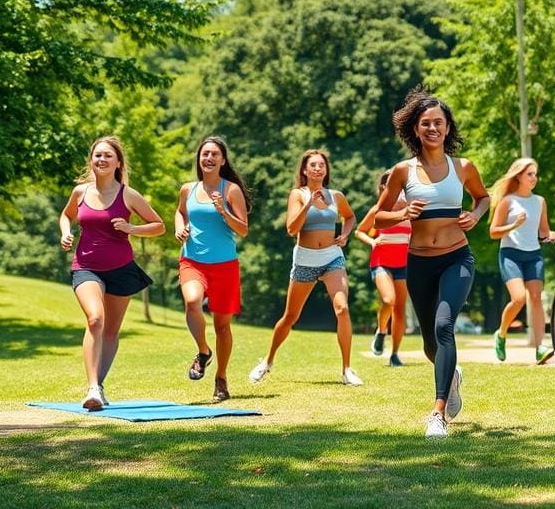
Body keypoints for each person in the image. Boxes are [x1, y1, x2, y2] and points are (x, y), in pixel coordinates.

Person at [373, 87, 489, 438]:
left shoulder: (464, 167)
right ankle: (452, 376)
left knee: (443, 327)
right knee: (429, 344)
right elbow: (377, 218)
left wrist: (476, 215)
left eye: (438, 122)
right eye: (426, 123)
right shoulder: (402, 172)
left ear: (448, 128)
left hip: (457, 258)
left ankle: (437, 413)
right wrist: (401, 213)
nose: (433, 128)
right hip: (419, 263)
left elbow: (484, 197)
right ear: (416, 130)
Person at [58, 136, 165, 410]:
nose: (102, 160)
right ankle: (92, 387)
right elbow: (66, 215)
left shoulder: (128, 195)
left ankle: (100, 387)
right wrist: (66, 232)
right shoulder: (80, 192)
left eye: (108, 156)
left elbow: (158, 225)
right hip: (86, 267)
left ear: (118, 163)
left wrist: (132, 229)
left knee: (111, 331)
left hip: (121, 269)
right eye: (97, 155)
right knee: (95, 319)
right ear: (91, 161)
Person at [249, 149, 361, 386]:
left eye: (322, 165)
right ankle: (267, 361)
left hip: (332, 258)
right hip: (305, 260)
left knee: (342, 308)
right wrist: (309, 202)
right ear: (304, 170)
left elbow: (349, 217)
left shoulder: (336, 196)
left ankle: (347, 369)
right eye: (313, 165)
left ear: (326, 170)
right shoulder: (297, 195)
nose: (318, 169)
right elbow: (291, 228)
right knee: (290, 316)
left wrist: (345, 235)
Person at [174, 136, 251, 402]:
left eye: (214, 155)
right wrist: (179, 226)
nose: (208, 158)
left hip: (225, 265)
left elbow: (243, 229)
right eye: (204, 154)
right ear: (199, 159)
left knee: (222, 326)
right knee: (192, 301)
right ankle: (204, 352)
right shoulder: (188, 189)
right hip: (192, 260)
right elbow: (181, 212)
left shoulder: (231, 190)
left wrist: (223, 210)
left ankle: (221, 377)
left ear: (223, 160)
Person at [488, 158, 555, 363]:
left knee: (535, 298)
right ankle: (501, 334)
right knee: (518, 299)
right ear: (518, 176)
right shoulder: (508, 201)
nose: (534, 178)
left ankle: (540, 348)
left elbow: (543, 232)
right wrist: (513, 225)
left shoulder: (540, 201)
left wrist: (551, 235)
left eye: (535, 174)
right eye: (530, 174)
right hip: (511, 254)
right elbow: (493, 232)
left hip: (533, 254)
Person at [355, 170, 411, 367]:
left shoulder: (411, 210)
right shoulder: (379, 210)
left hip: (404, 264)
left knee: (400, 310)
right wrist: (372, 241)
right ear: (383, 188)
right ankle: (381, 331)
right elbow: (359, 231)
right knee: (388, 300)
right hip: (381, 262)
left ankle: (395, 353)